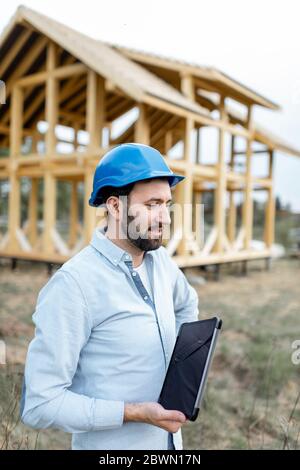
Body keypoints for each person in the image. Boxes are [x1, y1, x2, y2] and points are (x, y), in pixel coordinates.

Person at [20, 143, 199, 450]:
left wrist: (182, 372)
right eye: (152, 204)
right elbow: (39, 403)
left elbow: (187, 304)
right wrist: (133, 413)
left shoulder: (162, 262)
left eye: (167, 205)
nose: (165, 218)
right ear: (115, 206)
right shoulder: (73, 285)